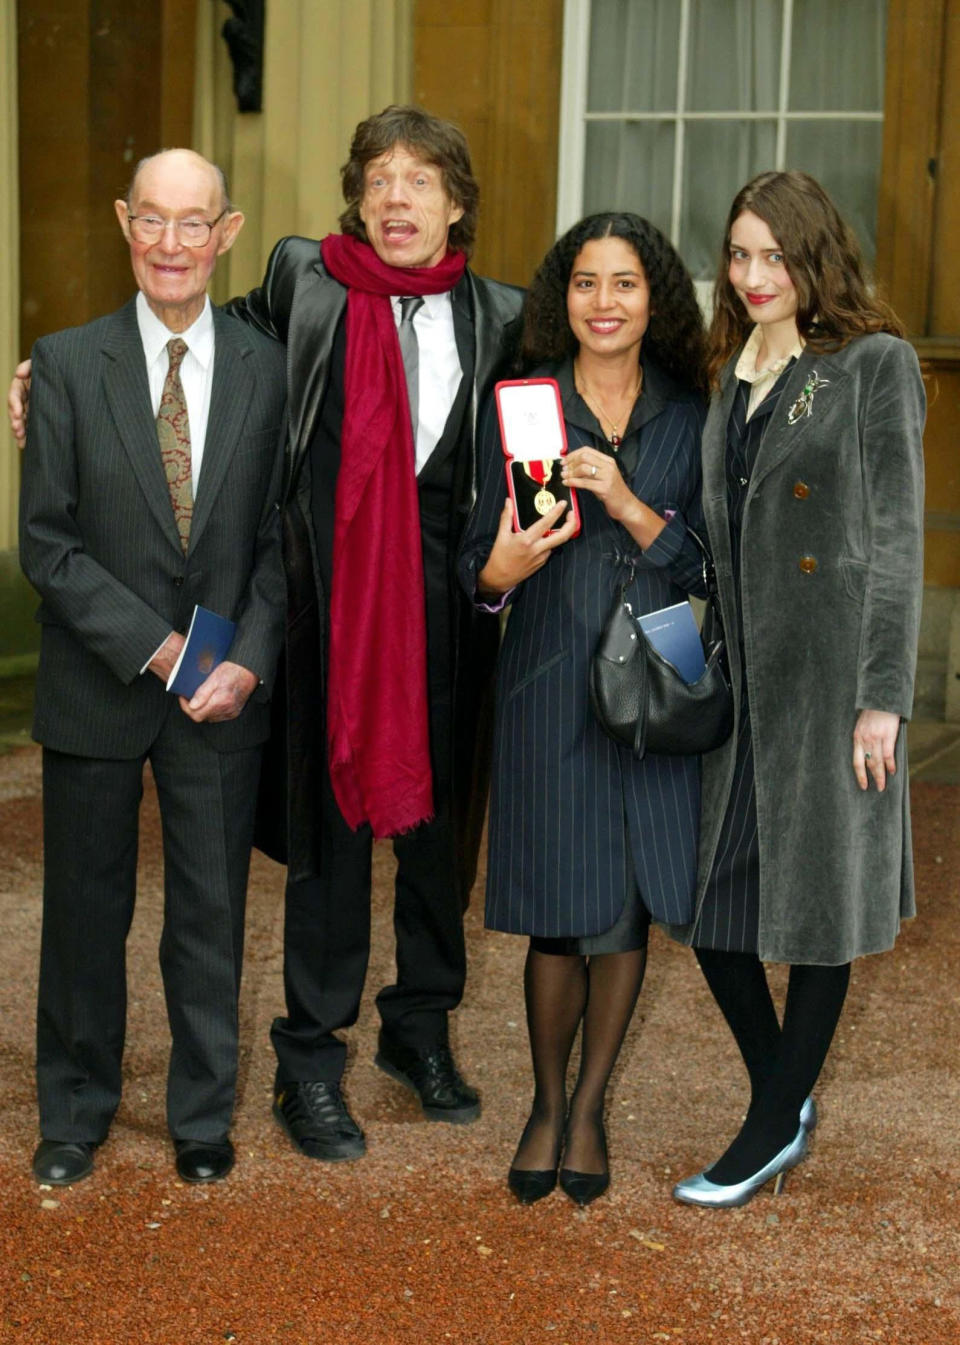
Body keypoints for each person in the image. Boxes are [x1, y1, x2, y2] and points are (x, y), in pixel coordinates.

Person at [8, 107, 522, 1164]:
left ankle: (401, 1037)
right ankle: (275, 1070)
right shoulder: (307, 285)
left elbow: (572, 394)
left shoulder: (500, 316)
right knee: (290, 856)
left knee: (425, 849)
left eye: (420, 179)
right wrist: (40, 382)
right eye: (379, 176)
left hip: (432, 612)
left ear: (456, 202)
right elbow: (189, 327)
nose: (396, 196)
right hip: (320, 615)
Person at [18, 149, 287, 1186]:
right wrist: (160, 646)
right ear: (124, 220)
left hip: (222, 694)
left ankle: (202, 1115)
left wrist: (247, 660)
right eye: (153, 221)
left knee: (211, 910)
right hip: (100, 679)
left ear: (227, 234)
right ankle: (75, 1109)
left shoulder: (271, 369)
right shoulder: (65, 361)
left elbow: (281, 541)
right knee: (84, 908)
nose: (171, 244)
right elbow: (48, 543)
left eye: (195, 223)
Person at [668, 171, 925, 1208]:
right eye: (739, 254)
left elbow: (898, 538)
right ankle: (789, 1089)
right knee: (713, 911)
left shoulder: (867, 365)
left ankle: (772, 1120)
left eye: (775, 255)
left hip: (831, 677)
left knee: (822, 905)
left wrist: (884, 695)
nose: (754, 274)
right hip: (744, 677)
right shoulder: (728, 370)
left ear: (817, 257)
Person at [458, 212, 708, 1206]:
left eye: (627, 284)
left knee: (627, 902)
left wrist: (632, 505)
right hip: (553, 668)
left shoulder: (693, 412)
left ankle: (594, 1104)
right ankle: (545, 1103)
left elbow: (709, 568)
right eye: (586, 283)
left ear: (656, 301)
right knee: (560, 909)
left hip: (663, 668)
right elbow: (475, 561)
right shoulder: (523, 407)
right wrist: (501, 567)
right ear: (562, 298)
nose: (605, 303)